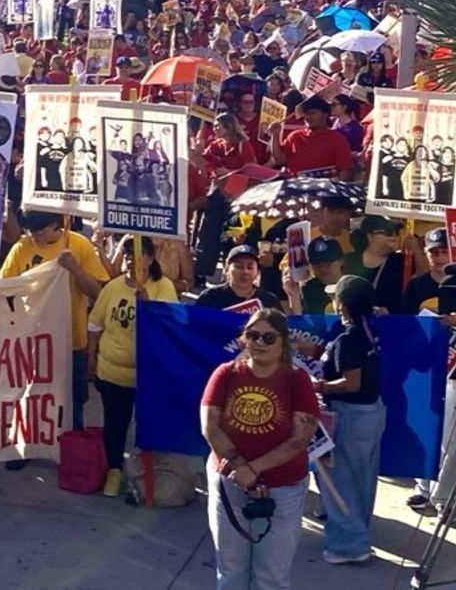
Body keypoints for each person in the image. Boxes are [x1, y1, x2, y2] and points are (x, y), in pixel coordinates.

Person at [201, 309, 319, 590]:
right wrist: (239, 466)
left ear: (283, 342)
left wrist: (254, 470)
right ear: (244, 339)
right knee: (230, 569)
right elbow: (210, 426)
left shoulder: (297, 379)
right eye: (253, 335)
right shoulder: (225, 373)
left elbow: (300, 437)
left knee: (272, 576)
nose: (260, 343)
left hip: (283, 487)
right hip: (229, 483)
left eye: (268, 337)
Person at [0, 210, 109, 440]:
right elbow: (4, 287)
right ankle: (25, 446)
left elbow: (99, 293)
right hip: (32, 339)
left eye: (39, 230)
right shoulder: (22, 247)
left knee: (73, 400)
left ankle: (73, 452)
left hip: (71, 340)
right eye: (30, 230)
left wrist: (75, 269)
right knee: (28, 396)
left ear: (55, 226)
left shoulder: (79, 246)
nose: (34, 236)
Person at [88, 236, 179, 497]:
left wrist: (149, 304)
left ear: (151, 258)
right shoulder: (113, 287)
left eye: (138, 255)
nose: (131, 260)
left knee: (147, 426)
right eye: (127, 255)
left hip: (147, 376)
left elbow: (171, 326)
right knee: (115, 424)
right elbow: (95, 324)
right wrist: (92, 358)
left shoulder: (163, 287)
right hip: (112, 373)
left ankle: (144, 477)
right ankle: (114, 471)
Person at [315, 275, 384, 565]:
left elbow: (350, 382)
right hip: (371, 412)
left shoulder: (348, 338)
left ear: (341, 304)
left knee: (339, 480)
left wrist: (318, 386)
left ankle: (348, 546)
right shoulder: (368, 330)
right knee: (362, 479)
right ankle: (359, 534)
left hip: (349, 415)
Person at [197, 246, 282, 311]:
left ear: (258, 272)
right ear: (226, 269)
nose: (245, 272)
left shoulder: (269, 301)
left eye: (250, 267)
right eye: (239, 266)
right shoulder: (209, 297)